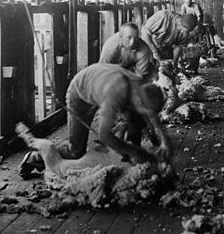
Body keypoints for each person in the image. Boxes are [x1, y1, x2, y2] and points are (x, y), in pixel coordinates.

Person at [19, 64, 172, 178]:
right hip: (80, 93)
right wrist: (135, 151)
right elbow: (104, 136)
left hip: (99, 81)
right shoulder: (116, 94)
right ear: (137, 100)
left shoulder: (142, 86)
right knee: (76, 150)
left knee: (136, 120)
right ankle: (35, 157)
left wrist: (164, 140)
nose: (150, 114)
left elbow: (150, 113)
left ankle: (132, 160)